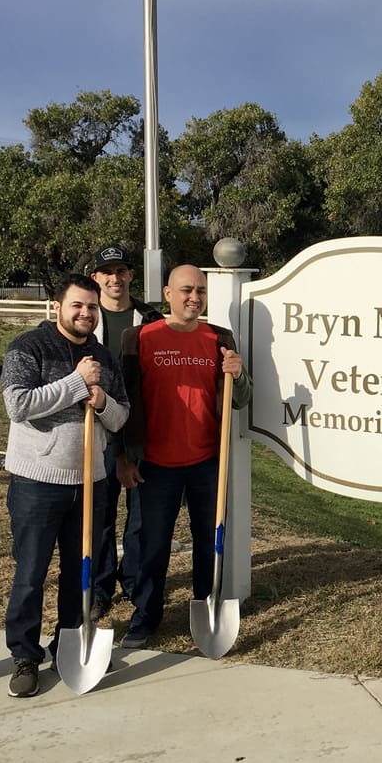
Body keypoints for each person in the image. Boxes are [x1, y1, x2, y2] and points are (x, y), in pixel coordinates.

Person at [1, 274, 129, 697]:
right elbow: (18, 406)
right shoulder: (28, 347)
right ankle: (24, 656)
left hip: (89, 480)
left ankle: (69, 643)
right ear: (57, 306)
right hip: (38, 480)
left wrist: (103, 402)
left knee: (81, 572)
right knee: (31, 573)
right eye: (77, 305)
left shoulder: (104, 357)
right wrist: (76, 382)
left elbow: (121, 417)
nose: (85, 314)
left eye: (92, 307)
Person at [118, 264, 252, 649]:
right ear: (167, 294)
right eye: (186, 290)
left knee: (209, 540)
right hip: (155, 465)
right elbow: (125, 401)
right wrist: (125, 457)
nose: (195, 297)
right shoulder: (139, 339)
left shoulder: (219, 339)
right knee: (152, 545)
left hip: (207, 462)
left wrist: (238, 374)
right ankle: (146, 616)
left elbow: (242, 400)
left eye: (201, 291)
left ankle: (206, 604)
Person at [88, 244, 162, 619]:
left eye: (121, 271)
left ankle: (133, 580)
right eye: (107, 272)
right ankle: (99, 588)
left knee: (140, 514)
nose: (115, 279)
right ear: (96, 277)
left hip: (138, 430)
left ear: (131, 274)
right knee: (100, 513)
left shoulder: (149, 318)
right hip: (94, 430)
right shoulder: (86, 316)